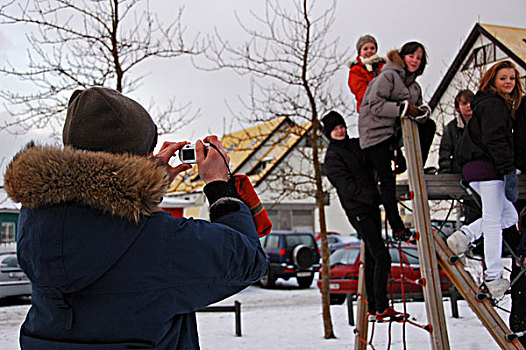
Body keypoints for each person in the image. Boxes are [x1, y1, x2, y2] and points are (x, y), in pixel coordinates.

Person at [4, 87, 268, 349]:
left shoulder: (34, 220)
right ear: (136, 158)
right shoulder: (162, 242)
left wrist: (145, 187)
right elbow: (249, 260)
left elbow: (98, 221)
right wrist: (219, 185)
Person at [447, 60, 524, 300]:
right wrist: (508, 170)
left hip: (479, 167)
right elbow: (495, 139)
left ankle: (466, 235)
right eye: (503, 78)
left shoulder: (490, 103)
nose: (509, 82)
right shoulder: (493, 104)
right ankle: (493, 277)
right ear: (493, 81)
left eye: (512, 78)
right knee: (492, 222)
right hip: (487, 168)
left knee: (509, 216)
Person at [321, 111, 407, 322]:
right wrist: (375, 196)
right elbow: (347, 187)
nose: (340, 131)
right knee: (382, 255)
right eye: (335, 129)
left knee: (371, 256)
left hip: (371, 206)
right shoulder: (332, 158)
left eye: (341, 126)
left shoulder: (356, 144)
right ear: (329, 133)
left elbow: (373, 153)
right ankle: (381, 306)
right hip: (358, 210)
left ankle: (371, 306)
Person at [358, 41, 436, 241]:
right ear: (403, 57)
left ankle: (417, 164)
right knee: (387, 178)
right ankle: (396, 226)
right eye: (412, 56)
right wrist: (402, 108)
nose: (415, 61)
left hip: (394, 135)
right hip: (375, 134)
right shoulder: (388, 77)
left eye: (419, 59)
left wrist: (421, 112)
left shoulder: (415, 87)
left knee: (429, 126)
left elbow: (417, 108)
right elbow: (374, 104)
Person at [438, 89, 480, 224]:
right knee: (470, 208)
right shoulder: (451, 128)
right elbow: (445, 151)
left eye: (471, 102)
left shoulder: (481, 125)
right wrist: (445, 173)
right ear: (458, 107)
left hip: (479, 172)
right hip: (460, 173)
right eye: (464, 103)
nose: (468, 106)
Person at [348, 35, 386, 113]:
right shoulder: (356, 70)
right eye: (365, 49)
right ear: (360, 52)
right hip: (368, 110)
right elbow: (361, 93)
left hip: (386, 106)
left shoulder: (384, 66)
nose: (369, 51)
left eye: (372, 48)